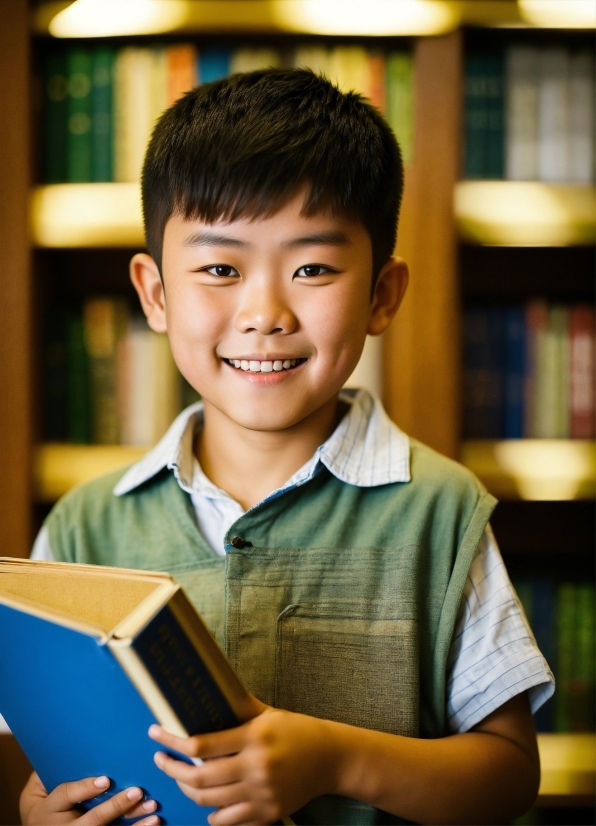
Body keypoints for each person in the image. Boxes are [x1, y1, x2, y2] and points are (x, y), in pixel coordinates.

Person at [21, 69, 553, 826]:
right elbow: (38, 760)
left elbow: (507, 776)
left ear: (381, 295)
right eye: (219, 269)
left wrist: (337, 759)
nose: (264, 313)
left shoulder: (440, 511)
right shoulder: (83, 526)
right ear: (156, 294)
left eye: (312, 268)